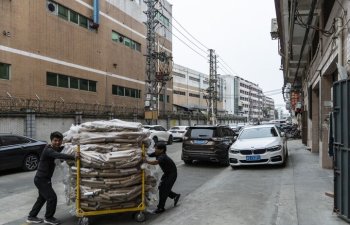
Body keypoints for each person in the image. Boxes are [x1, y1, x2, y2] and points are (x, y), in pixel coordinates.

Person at [27, 131, 78, 225]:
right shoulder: (48, 150)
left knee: (41, 199)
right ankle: (49, 218)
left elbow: (61, 149)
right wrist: (73, 157)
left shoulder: (55, 148)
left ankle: (31, 216)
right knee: (52, 198)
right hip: (42, 179)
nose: (57, 142)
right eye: (55, 140)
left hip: (43, 179)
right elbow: (58, 155)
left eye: (59, 141)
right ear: (51, 141)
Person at [145, 142, 180, 214]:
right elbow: (149, 154)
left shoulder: (163, 156)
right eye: (155, 148)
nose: (155, 149)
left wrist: (146, 161)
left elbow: (155, 162)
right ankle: (175, 196)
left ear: (162, 150)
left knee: (163, 191)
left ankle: (161, 208)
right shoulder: (157, 153)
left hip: (172, 174)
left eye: (157, 148)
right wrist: (143, 154)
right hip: (167, 173)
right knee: (161, 187)